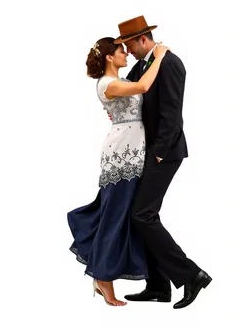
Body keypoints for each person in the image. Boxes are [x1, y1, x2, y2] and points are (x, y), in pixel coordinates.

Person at [111, 15, 212, 309]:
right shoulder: (141, 67)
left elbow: (172, 113)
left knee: (142, 214)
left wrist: (158, 152)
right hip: (145, 151)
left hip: (164, 152)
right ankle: (157, 285)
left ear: (144, 39)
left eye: (129, 45)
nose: (127, 51)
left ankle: (192, 275)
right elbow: (129, 96)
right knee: (140, 215)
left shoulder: (170, 63)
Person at [67, 36, 169, 306]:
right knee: (114, 217)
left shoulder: (121, 80)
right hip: (121, 157)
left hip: (134, 154)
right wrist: (159, 56)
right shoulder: (107, 84)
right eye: (122, 51)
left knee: (124, 216)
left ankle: (110, 276)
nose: (126, 54)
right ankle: (102, 279)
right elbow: (145, 86)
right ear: (110, 57)